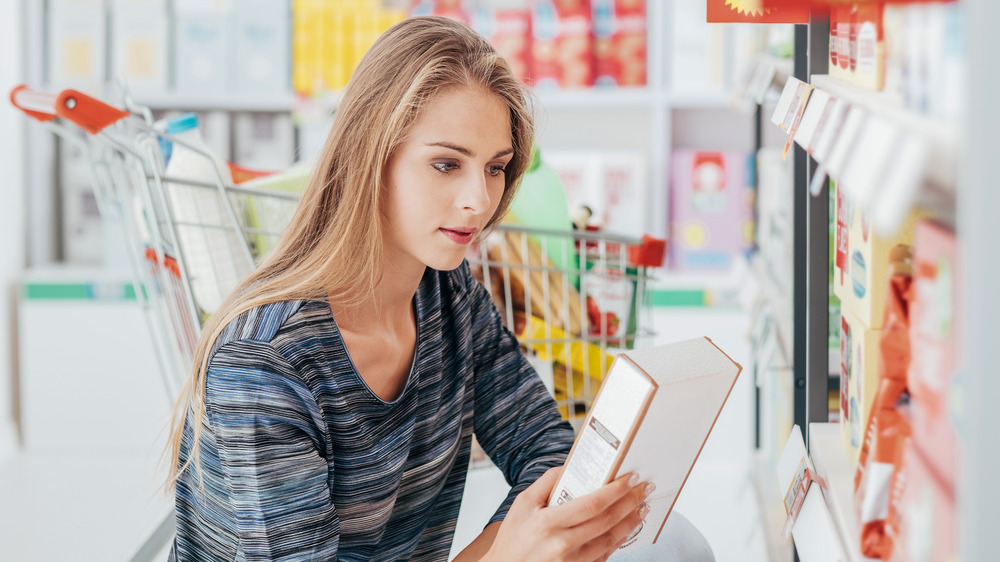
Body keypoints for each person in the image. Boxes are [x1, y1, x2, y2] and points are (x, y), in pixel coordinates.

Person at [166, 16, 710, 562]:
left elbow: (545, 449)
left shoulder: (447, 296)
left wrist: (524, 544)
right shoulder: (263, 362)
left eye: (495, 168)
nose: (479, 200)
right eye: (446, 164)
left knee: (671, 543)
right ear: (369, 159)